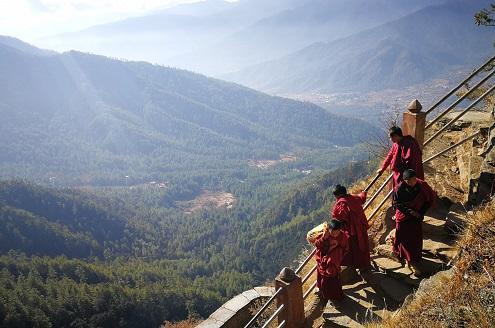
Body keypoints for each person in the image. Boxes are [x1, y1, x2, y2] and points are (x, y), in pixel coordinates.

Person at [392, 169, 436, 276]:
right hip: (404, 216)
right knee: (404, 238)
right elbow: (397, 205)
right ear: (404, 180)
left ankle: (415, 256)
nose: (413, 182)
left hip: (417, 215)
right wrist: (411, 212)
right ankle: (408, 259)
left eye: (414, 179)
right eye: (409, 181)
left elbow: (428, 199)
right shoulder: (399, 189)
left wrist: (420, 212)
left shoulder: (421, 185)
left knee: (416, 237)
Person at [331, 185, 371, 272]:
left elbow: (337, 217)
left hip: (351, 230)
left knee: (353, 248)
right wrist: (363, 192)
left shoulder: (342, 204)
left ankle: (356, 265)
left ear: (338, 195)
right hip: (361, 227)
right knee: (363, 245)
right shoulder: (353, 198)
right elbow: (362, 198)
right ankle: (365, 264)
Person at [314, 219, 349, 307]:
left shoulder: (342, 236)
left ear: (339, 230)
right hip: (323, 260)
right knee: (322, 277)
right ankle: (324, 292)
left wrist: (337, 254)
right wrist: (324, 238)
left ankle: (335, 298)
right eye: (332, 232)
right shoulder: (325, 234)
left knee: (333, 281)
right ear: (328, 229)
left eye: (336, 232)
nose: (333, 234)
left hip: (334, 262)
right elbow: (317, 245)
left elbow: (345, 248)